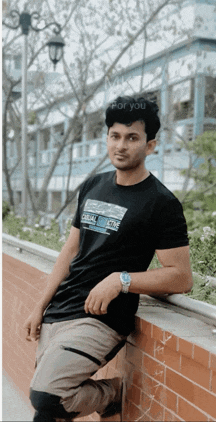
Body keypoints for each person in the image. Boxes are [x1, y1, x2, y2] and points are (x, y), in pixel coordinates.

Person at [24, 96, 193, 422]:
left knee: (46, 396)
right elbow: (69, 252)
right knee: (49, 413)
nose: (121, 145)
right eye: (115, 136)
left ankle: (112, 393)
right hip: (59, 312)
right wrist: (39, 306)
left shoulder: (161, 203)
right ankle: (110, 401)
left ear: (151, 145)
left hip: (101, 318)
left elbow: (180, 277)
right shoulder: (93, 185)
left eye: (132, 138)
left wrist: (121, 279)